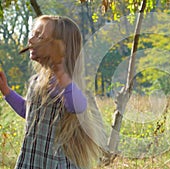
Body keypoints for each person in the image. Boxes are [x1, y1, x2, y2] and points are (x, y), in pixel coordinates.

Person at [0, 15, 104, 169]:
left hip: (54, 163)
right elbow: (28, 112)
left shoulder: (67, 84)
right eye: (33, 34)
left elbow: (79, 107)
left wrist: (63, 78)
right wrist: (6, 91)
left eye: (39, 36)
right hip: (32, 160)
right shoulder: (36, 81)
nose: (30, 40)